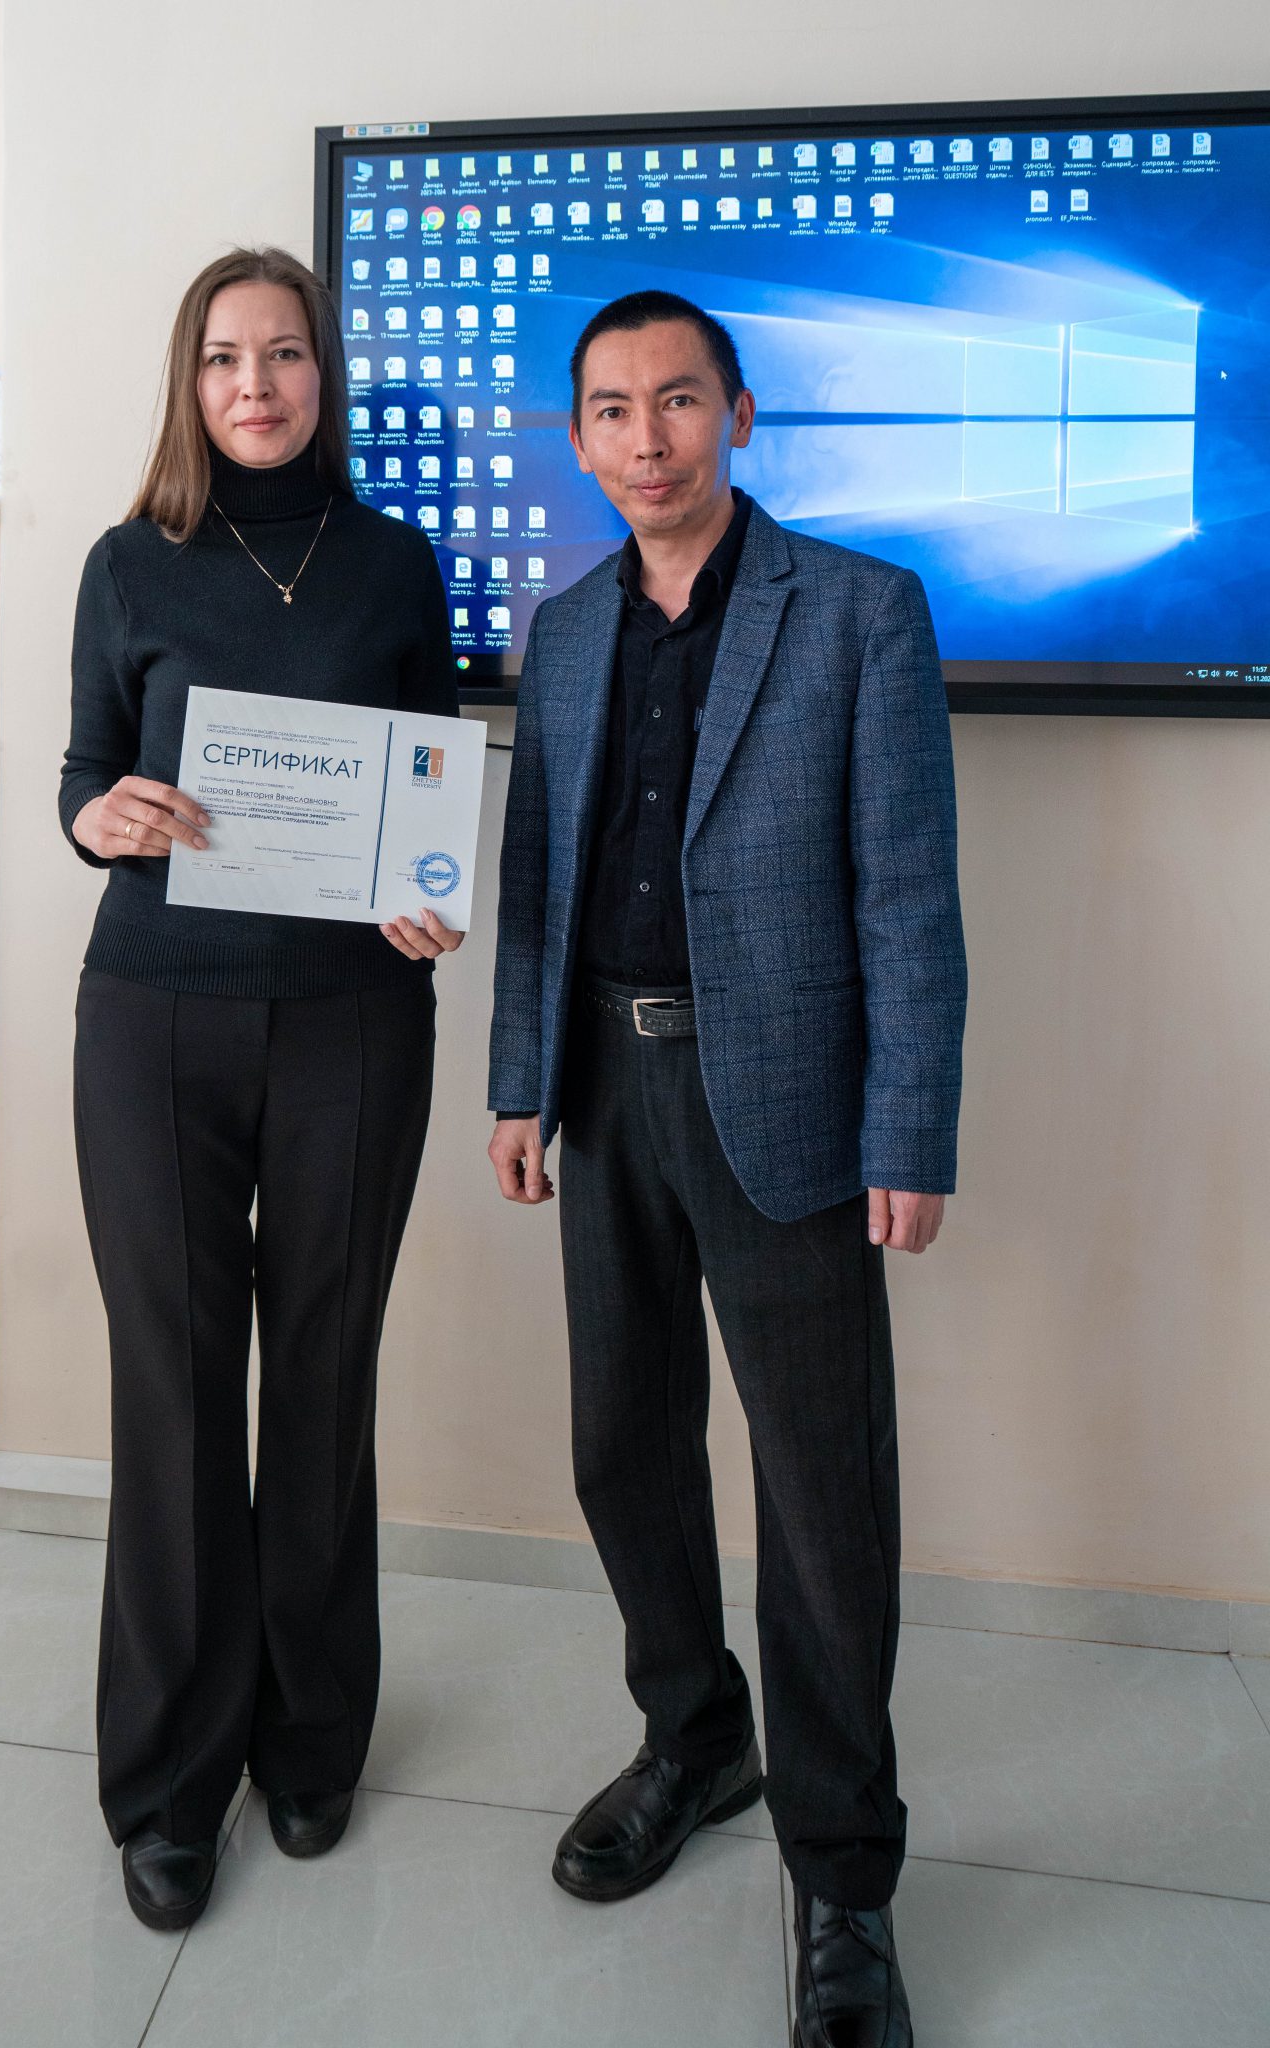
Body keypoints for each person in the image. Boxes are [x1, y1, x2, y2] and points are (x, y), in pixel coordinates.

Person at [487, 289, 966, 2046]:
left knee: (822, 1495)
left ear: (739, 414)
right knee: (621, 1443)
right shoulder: (565, 631)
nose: (648, 438)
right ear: (578, 440)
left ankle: (844, 1873)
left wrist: (908, 1125)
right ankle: (696, 1738)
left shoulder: (857, 610)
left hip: (789, 1102)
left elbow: (908, 895)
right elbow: (534, 890)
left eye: (679, 401)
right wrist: (520, 1087)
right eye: (613, 411)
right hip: (605, 1088)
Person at [60, 245, 462, 1933]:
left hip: (356, 1022)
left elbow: (433, 784)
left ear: (323, 375)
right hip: (155, 1019)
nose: (255, 385)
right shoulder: (126, 562)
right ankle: (169, 1780)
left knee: (319, 1374)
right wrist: (99, 820)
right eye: (225, 357)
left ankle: (309, 1737)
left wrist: (430, 890)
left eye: (285, 354)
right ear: (190, 379)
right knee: (171, 1392)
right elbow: (85, 773)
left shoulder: (394, 563)